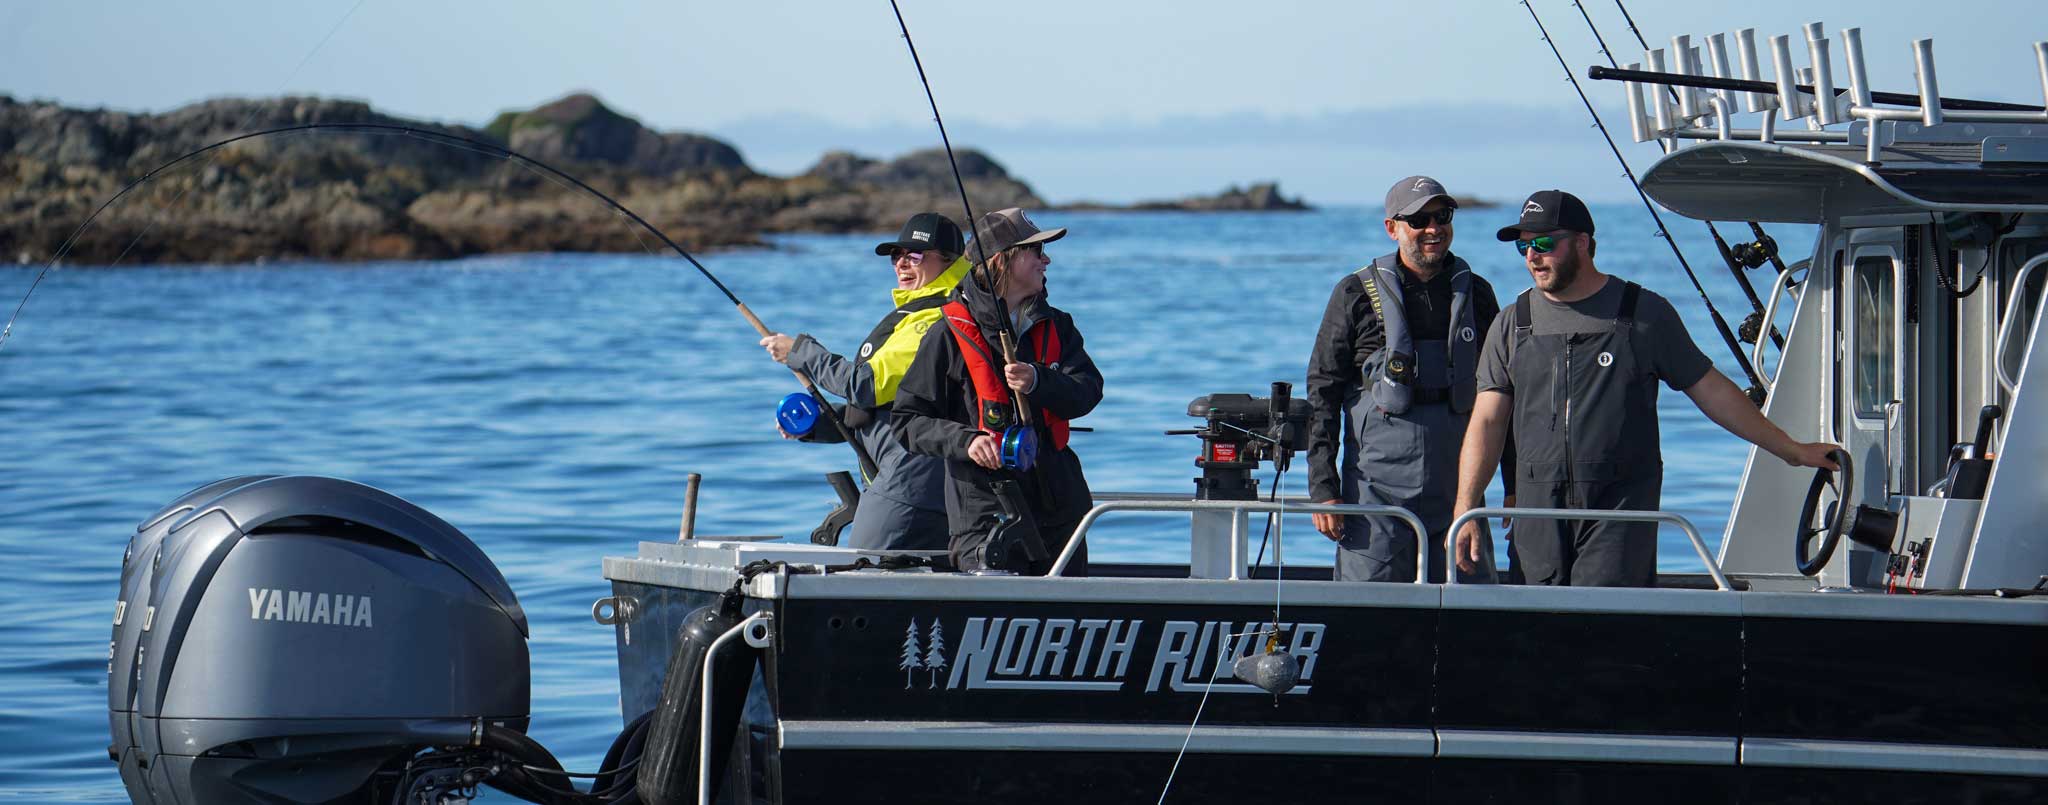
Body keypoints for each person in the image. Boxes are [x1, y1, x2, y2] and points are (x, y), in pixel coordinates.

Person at [1453, 190, 1838, 587]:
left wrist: (1791, 450)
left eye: (1545, 243)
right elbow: (1487, 422)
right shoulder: (1512, 323)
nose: (1533, 256)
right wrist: (1465, 509)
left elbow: (1713, 393)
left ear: (1582, 243)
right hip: (1537, 513)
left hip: (1619, 514)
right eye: (1524, 246)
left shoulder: (1644, 314)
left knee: (1606, 627)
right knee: (1535, 635)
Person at [1306, 175, 1510, 583]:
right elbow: (1322, 390)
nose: (1433, 229)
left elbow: (1503, 395)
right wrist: (1323, 488)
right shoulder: (1354, 294)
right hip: (1374, 493)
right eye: (1419, 220)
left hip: (1460, 490)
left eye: (1442, 216)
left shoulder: (1478, 294)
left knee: (1470, 607)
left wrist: (1515, 483)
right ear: (1393, 228)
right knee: (1369, 612)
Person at [893, 208, 1103, 575]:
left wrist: (1039, 381)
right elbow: (907, 421)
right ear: (1001, 261)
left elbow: (1088, 391)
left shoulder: (1059, 326)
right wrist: (966, 441)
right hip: (986, 520)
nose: (1046, 259)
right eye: (1036, 252)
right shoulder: (947, 335)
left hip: (1062, 517)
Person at [758, 212, 969, 551]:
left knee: (860, 577)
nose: (902, 263)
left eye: (914, 255)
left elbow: (866, 386)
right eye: (896, 256)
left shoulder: (932, 320)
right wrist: (818, 426)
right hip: (908, 480)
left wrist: (801, 352)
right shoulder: (920, 312)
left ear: (948, 261)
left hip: (911, 482)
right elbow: (883, 410)